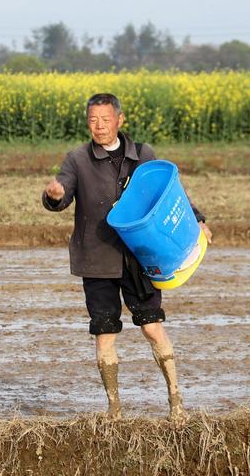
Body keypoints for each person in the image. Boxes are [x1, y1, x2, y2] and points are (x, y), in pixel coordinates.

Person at [42, 93, 212, 422]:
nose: (99, 126)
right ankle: (114, 408)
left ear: (120, 121)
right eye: (93, 120)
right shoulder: (77, 159)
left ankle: (176, 402)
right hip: (97, 259)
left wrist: (197, 220)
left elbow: (169, 195)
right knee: (104, 332)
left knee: (152, 327)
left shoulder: (142, 155)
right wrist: (54, 196)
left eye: (105, 119)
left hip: (139, 257)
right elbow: (62, 189)